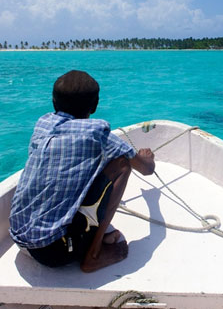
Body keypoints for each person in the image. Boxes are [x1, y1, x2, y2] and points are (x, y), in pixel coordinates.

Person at [9, 70, 155, 272]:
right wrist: (147, 158)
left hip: (19, 240)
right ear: (94, 106)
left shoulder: (42, 124)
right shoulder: (97, 134)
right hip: (54, 252)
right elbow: (146, 170)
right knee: (122, 163)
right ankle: (93, 255)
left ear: (53, 102)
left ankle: (84, 236)